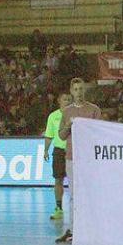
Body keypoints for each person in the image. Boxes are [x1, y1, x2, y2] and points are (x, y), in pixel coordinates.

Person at [56, 78, 102, 244]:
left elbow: (99, 133)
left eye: (81, 89)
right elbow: (61, 135)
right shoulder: (66, 112)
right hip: (72, 157)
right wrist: (68, 126)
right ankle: (74, 229)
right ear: (71, 91)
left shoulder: (94, 110)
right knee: (74, 195)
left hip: (88, 159)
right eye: (76, 89)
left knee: (90, 193)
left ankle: (92, 227)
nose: (79, 92)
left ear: (84, 90)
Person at [44, 92, 73, 221]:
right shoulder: (53, 116)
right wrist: (45, 150)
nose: (66, 101)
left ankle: (77, 208)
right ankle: (59, 208)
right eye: (64, 99)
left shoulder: (74, 115)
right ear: (59, 101)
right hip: (59, 150)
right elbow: (49, 135)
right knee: (58, 180)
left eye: (68, 99)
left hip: (73, 151)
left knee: (75, 181)